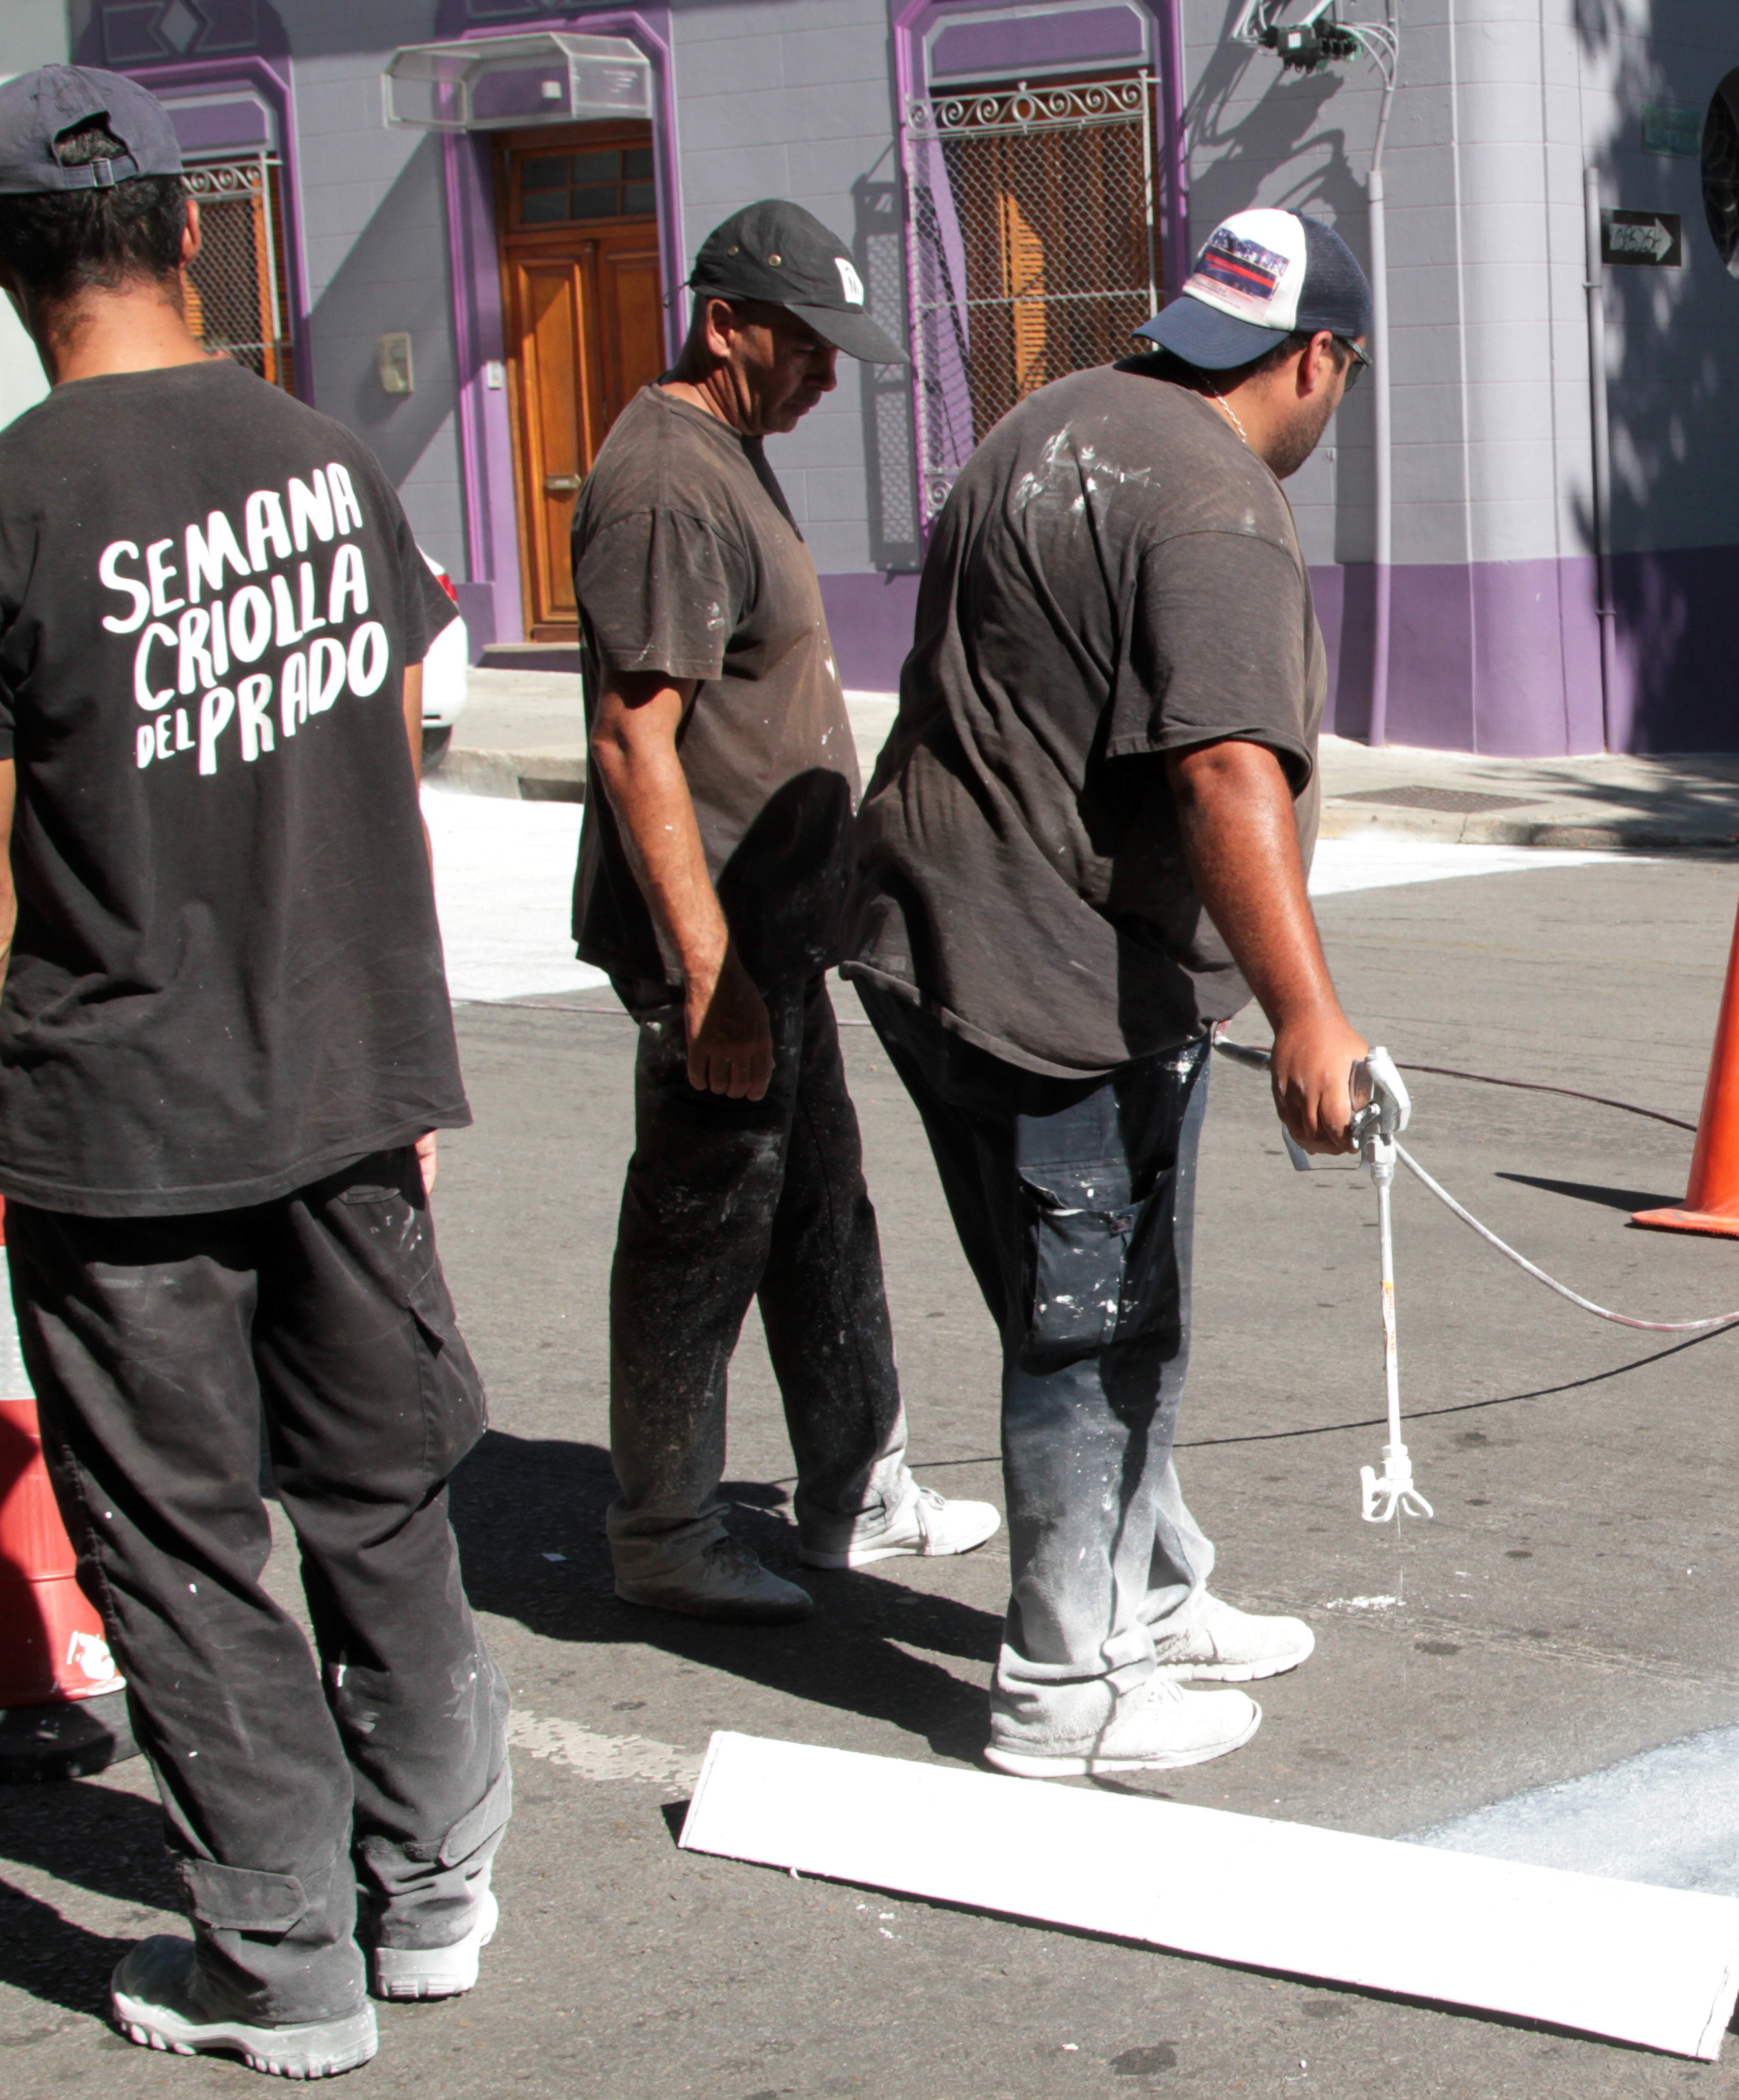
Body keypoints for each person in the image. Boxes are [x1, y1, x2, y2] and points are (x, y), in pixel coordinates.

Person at [0, 67, 501, 2078]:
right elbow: (383, 763)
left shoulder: (19, 503)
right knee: (380, 1494)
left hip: (123, 1117)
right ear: (195, 233)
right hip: (342, 1082)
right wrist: (409, 1066)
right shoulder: (322, 460)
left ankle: (286, 1958)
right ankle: (433, 1884)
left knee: (181, 1531)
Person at [847, 208, 1378, 1776]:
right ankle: (1062, 1692)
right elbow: (1226, 769)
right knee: (1086, 1327)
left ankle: (1150, 1586)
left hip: (937, 936)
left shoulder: (1049, 419)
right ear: (1318, 357)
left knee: (1102, 1300)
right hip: (1047, 974)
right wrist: (1306, 1012)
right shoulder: (1215, 502)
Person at [573, 199, 996, 1622]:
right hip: (716, 962)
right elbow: (638, 743)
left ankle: (852, 1484)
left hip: (777, 944)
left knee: (820, 1212)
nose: (827, 375)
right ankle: (665, 1525)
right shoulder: (663, 484)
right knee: (702, 1233)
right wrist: (709, 980)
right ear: (726, 324)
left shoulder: (728, 454)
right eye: (808, 347)